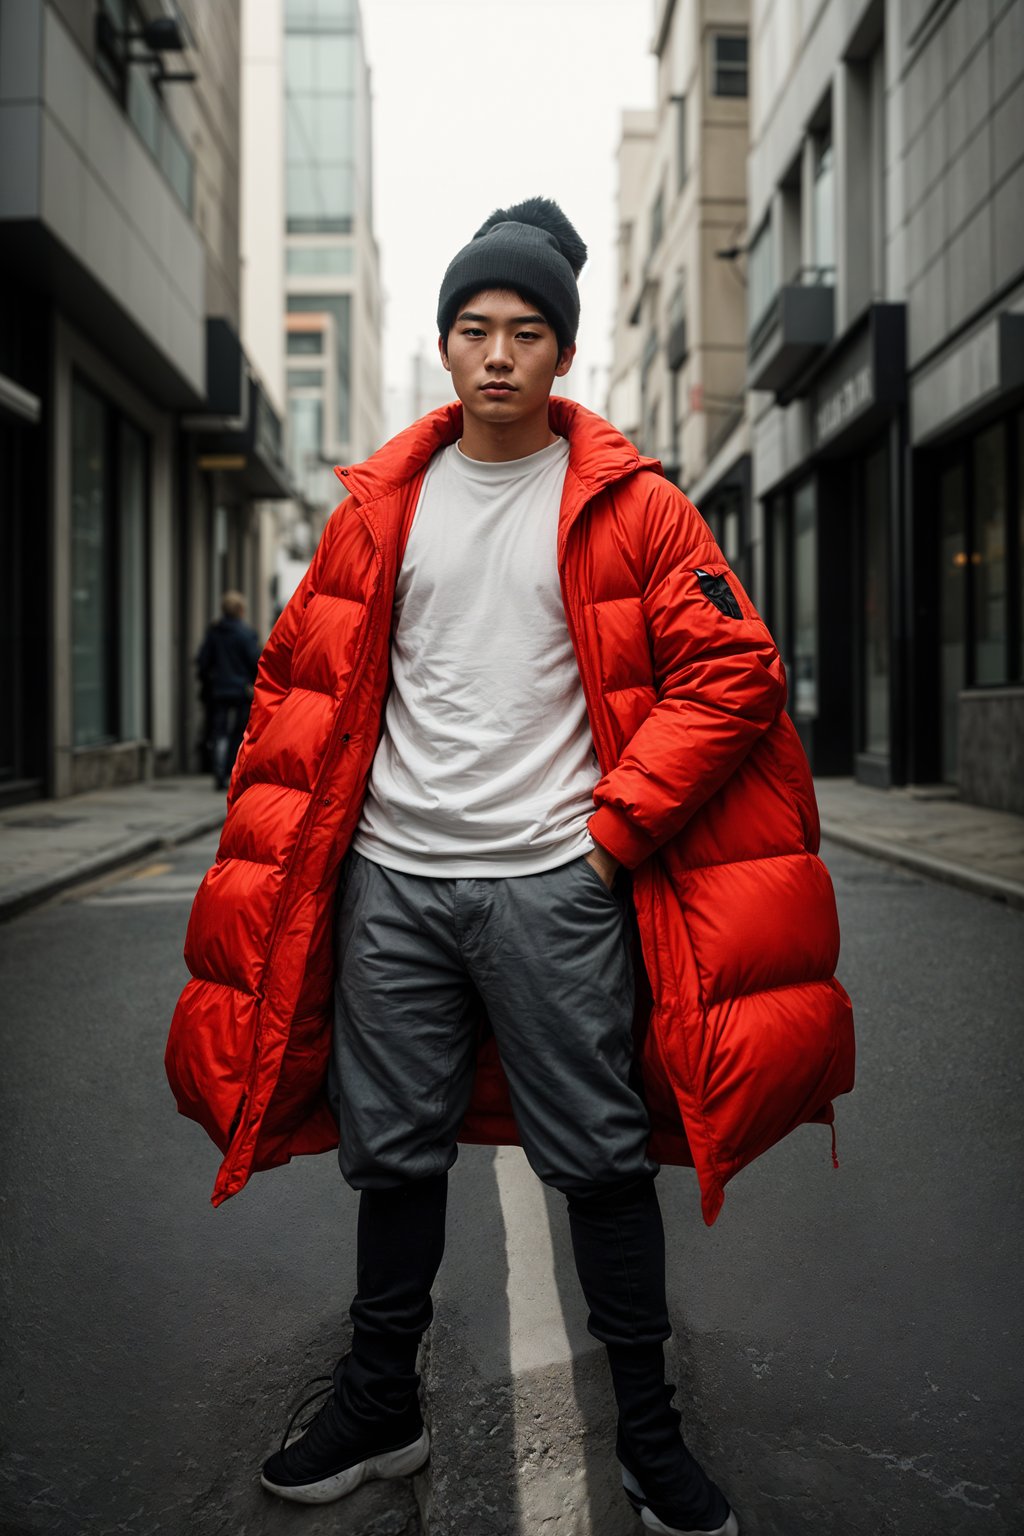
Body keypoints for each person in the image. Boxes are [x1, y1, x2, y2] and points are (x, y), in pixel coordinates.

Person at [166, 198, 855, 1535]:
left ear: (560, 354)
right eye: (474, 328)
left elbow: (734, 672)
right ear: (442, 346)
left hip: (556, 883)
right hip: (397, 890)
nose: (497, 353)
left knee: (597, 1161)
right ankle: (383, 1404)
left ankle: (651, 1440)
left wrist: (606, 842)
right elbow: (295, 687)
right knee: (396, 1157)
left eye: (524, 331)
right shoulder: (376, 508)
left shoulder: (635, 509)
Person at [195, 591, 261, 792]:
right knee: (238, 732)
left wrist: (209, 680)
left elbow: (203, 661)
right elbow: (256, 662)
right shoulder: (246, 634)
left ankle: (217, 770)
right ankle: (229, 770)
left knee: (218, 730)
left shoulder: (213, 633)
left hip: (219, 689)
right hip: (241, 690)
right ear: (241, 611)